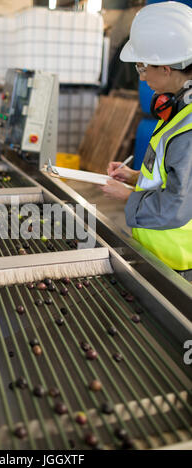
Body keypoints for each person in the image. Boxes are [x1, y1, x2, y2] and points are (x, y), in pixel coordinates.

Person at [101, 1, 192, 281]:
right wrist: (135, 176)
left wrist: (129, 197)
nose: (140, 76)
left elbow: (178, 205)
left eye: (142, 67)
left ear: (166, 68)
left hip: (177, 261)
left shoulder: (189, 128)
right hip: (157, 251)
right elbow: (172, 176)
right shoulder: (177, 110)